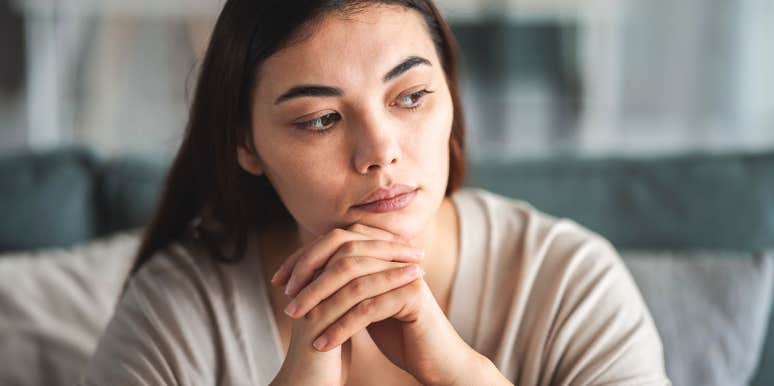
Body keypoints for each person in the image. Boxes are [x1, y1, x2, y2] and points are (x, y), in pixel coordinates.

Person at [81, 0, 672, 385]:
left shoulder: (568, 283)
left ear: (451, 95)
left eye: (411, 96)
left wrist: (457, 371)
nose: (380, 151)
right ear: (247, 145)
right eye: (320, 119)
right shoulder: (177, 314)